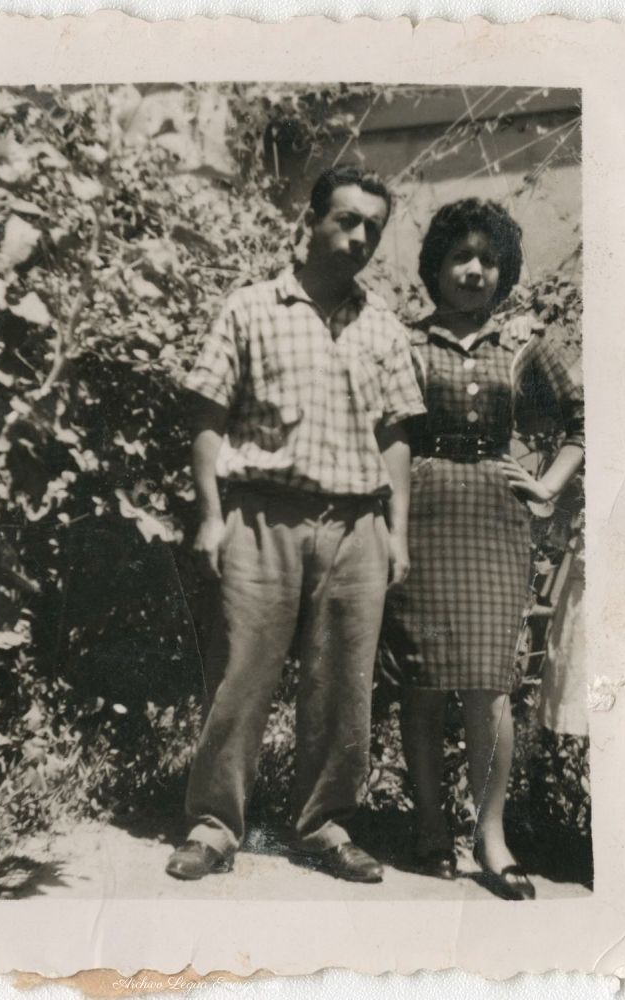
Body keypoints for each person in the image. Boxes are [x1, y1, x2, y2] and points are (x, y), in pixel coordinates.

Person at [166, 166, 426, 883]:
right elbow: (207, 416)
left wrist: (396, 533)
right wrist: (210, 516)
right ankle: (215, 825)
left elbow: (395, 437)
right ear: (309, 223)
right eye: (346, 220)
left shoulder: (383, 326)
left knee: (343, 687)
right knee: (240, 676)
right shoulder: (250, 308)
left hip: (356, 525)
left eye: (373, 228)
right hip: (261, 517)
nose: (360, 237)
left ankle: (322, 824)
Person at [387, 198, 584, 900]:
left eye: (488, 259)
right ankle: (430, 828)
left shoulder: (523, 342)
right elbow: (387, 434)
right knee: (422, 679)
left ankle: (490, 836)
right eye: (460, 256)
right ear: (435, 266)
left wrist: (546, 486)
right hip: (422, 514)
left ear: (504, 271)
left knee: (489, 684)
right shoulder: (405, 342)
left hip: (496, 521)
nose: (474, 270)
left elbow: (582, 419)